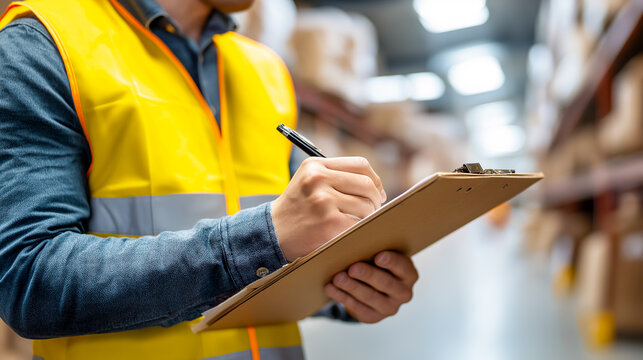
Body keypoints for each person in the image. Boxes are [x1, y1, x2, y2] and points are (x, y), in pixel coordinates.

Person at [0, 0, 419, 359]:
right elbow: (28, 279)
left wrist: (352, 286)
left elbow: (290, 250)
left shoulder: (264, 71)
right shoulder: (42, 46)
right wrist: (262, 238)